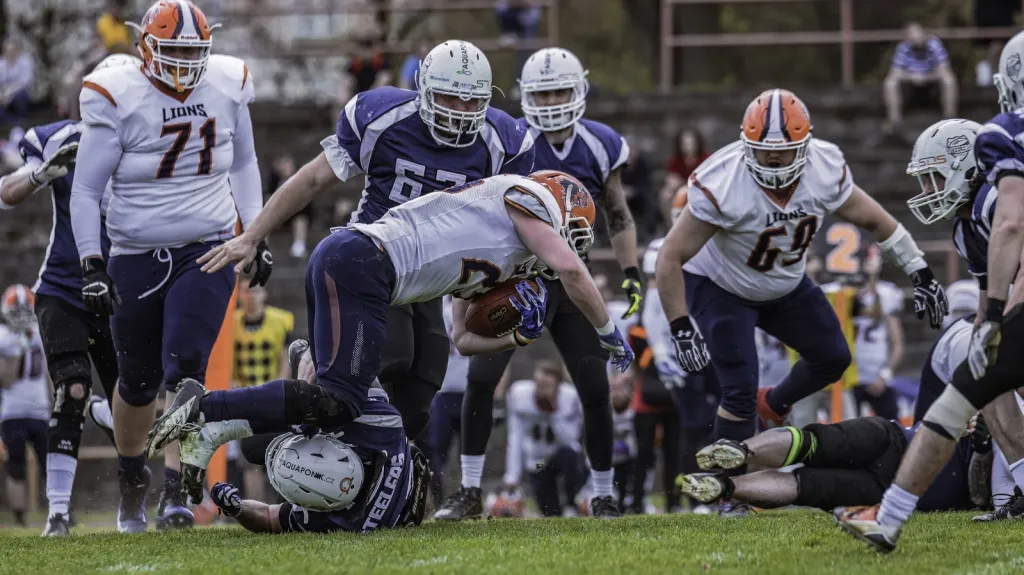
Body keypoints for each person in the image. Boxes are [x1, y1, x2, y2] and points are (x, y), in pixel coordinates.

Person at [148, 170, 635, 506]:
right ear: (557, 209)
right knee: (341, 400)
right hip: (364, 262)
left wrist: (517, 339)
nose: (561, 251)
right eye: (570, 234)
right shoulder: (524, 198)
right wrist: (608, 332)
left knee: (336, 402)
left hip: (361, 267)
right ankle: (206, 405)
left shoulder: (501, 256)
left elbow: (462, 338)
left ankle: (214, 427)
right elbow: (571, 269)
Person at [187, 40, 535, 445]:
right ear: (423, 88)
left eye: (468, 101)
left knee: (419, 397)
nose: (458, 112)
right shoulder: (384, 117)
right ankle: (275, 424)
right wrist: (252, 235)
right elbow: (313, 178)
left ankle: (360, 475)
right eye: (447, 98)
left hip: (434, 274)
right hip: (375, 259)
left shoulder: (502, 142)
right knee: (388, 360)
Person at [654, 89, 949, 514]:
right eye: (764, 153)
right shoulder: (721, 178)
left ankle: (772, 405)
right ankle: (725, 492)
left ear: (805, 145)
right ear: (746, 144)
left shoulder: (825, 167)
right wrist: (681, 326)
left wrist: (919, 269)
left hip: (784, 282)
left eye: (784, 153)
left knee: (832, 357)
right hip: (721, 284)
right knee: (737, 388)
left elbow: (874, 219)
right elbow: (671, 254)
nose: (774, 163)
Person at [68, 0, 269, 533]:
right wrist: (91, 261)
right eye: (173, 50)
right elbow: (86, 189)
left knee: (186, 367)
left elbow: (246, 163)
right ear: (146, 48)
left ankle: (177, 495)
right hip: (134, 252)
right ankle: (133, 486)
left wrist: (254, 233)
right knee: (137, 384)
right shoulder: (118, 93)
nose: (183, 62)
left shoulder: (227, 84)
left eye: (193, 51)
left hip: (209, 246)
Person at [435, 47, 638, 521]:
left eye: (560, 91)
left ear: (579, 90)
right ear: (525, 95)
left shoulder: (599, 143)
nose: (550, 101)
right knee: (482, 380)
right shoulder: (509, 137)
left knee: (592, 386)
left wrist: (631, 274)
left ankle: (602, 493)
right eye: (542, 92)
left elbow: (618, 214)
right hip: (515, 274)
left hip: (571, 283)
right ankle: (468, 491)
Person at [835, 51, 1024, 546]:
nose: (927, 189)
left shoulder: (992, 197)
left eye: (936, 176)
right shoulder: (967, 226)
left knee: (973, 388)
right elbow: (989, 287)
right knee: (976, 384)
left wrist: (1003, 323)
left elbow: (1014, 243)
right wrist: (988, 329)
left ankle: (891, 517)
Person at [0, 54, 133, 537]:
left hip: (122, 290)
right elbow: (6, 192)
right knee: (73, 387)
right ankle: (58, 511)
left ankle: (134, 505)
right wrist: (40, 175)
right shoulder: (62, 137)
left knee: (132, 402)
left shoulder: (150, 140)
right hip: (62, 285)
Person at [206, 387, 431, 533]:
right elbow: (365, 376)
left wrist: (237, 510)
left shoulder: (330, 522)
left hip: (392, 496)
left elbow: (267, 517)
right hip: (390, 447)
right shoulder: (380, 425)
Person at [501, 360, 587, 517]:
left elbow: (571, 439)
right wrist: (512, 475)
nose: (541, 390)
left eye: (547, 385)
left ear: (558, 386)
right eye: (539, 384)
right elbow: (516, 436)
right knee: (550, 513)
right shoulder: (520, 395)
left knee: (571, 456)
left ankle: (572, 504)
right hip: (538, 462)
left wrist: (554, 412)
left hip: (559, 456)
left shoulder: (569, 398)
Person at [0, 286, 49, 527]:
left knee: (51, 462)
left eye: (24, 309)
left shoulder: (40, 333)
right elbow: (5, 379)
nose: (20, 315)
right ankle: (20, 519)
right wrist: (18, 350)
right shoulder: (3, 336)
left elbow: (50, 373)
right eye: (16, 310)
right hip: (12, 412)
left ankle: (60, 511)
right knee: (16, 464)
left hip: (40, 409)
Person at [428, 296, 469, 507]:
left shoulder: (477, 305)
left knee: (471, 452)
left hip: (471, 391)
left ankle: (470, 499)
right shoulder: (439, 309)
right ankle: (439, 502)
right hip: (443, 393)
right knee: (437, 453)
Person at [882, 22, 957, 136]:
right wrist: (912, 76)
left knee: (949, 80)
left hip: (932, 83)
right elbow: (895, 73)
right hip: (910, 85)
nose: (914, 37)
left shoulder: (935, 45)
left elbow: (944, 70)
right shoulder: (903, 48)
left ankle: (950, 118)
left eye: (917, 33)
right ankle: (894, 121)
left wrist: (926, 77)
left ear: (924, 34)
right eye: (911, 34)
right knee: (890, 83)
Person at [264, 154, 310, 258]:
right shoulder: (274, 180)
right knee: (264, 219)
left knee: (300, 221)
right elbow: (268, 198)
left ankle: (299, 245)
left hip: (296, 213)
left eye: (286, 163)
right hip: (277, 214)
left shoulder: (300, 179)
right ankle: (263, 247)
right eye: (281, 163)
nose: (284, 166)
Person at [661, 128, 709, 227]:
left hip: (700, 189)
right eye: (685, 144)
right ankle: (672, 227)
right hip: (680, 190)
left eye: (691, 143)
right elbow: (672, 180)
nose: (688, 147)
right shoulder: (675, 160)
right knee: (665, 195)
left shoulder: (706, 158)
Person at [0, 38, 33, 125]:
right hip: (3, 94)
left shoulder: (25, 62)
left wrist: (9, 93)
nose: (10, 53)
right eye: (8, 50)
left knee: (20, 96)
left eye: (13, 50)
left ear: (17, 50)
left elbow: (24, 82)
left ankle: (21, 120)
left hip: (19, 93)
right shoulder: (1, 63)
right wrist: (2, 94)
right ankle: (12, 121)